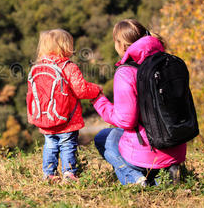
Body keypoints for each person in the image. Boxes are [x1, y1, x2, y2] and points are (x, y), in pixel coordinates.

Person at [91, 19, 186, 186]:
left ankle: (135, 178)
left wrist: (98, 100)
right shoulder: (167, 62)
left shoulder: (126, 72)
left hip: (149, 151)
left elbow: (126, 121)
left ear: (120, 45)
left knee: (103, 137)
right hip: (176, 147)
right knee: (127, 133)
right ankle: (166, 172)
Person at [28, 29, 101, 182]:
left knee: (50, 145)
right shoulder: (69, 67)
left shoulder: (38, 68)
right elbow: (81, 90)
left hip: (46, 117)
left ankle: (49, 174)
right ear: (65, 47)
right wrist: (96, 89)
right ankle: (69, 173)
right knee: (67, 145)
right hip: (67, 119)